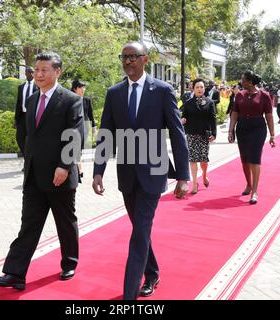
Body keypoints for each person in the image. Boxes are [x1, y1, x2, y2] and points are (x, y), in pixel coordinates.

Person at [92, 41, 190, 300]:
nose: (128, 62)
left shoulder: (162, 90)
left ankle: (128, 295)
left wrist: (183, 176)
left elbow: (177, 134)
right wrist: (98, 171)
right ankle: (153, 272)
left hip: (154, 171)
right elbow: (105, 135)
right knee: (140, 228)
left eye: (133, 57)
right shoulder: (114, 93)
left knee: (139, 232)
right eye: (124, 57)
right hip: (127, 174)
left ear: (146, 59)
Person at [0, 52, 84, 290]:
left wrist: (64, 165)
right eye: (37, 70)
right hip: (33, 174)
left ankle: (69, 263)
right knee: (29, 224)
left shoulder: (71, 99)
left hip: (59, 175)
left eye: (44, 70)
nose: (39, 74)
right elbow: (25, 134)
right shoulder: (31, 100)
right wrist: (28, 158)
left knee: (65, 222)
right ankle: (15, 273)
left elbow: (75, 136)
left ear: (57, 72)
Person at [228, 70, 276, 205]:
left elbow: (269, 116)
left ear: (250, 82)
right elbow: (234, 113)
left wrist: (272, 135)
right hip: (242, 128)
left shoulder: (264, 96)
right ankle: (248, 184)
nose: (241, 82)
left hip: (258, 129)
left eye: (243, 80)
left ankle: (255, 191)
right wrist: (230, 130)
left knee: (254, 158)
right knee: (244, 160)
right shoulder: (239, 95)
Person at [181, 78, 217, 194]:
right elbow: (184, 116)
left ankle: (204, 175)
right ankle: (195, 183)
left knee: (203, 160)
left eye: (201, 87)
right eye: (197, 87)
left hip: (204, 135)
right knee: (192, 159)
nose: (199, 89)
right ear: (193, 88)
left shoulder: (209, 102)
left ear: (204, 88)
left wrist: (214, 134)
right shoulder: (188, 103)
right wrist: (183, 120)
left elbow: (213, 119)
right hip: (191, 134)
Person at [71, 78, 97, 178]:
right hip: (73, 128)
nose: (83, 89)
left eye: (84, 87)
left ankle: (77, 166)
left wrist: (94, 127)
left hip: (84, 127)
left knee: (80, 149)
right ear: (74, 88)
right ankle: (79, 168)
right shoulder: (71, 99)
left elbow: (91, 114)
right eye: (80, 87)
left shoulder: (87, 100)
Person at [14, 66, 39, 156]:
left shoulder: (38, 87)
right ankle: (27, 158)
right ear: (25, 73)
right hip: (23, 116)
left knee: (32, 138)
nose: (31, 73)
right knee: (19, 138)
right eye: (29, 72)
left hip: (33, 116)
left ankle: (31, 161)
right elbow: (18, 103)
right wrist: (16, 119)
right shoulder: (21, 87)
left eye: (32, 72)